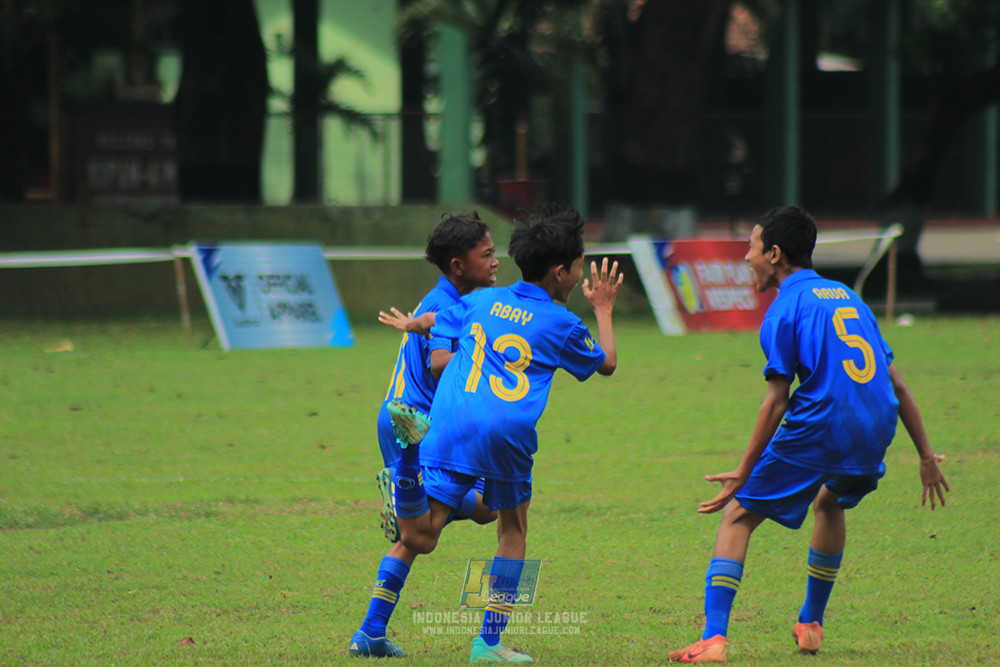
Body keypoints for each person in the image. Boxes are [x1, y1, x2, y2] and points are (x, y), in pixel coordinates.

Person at [667, 206, 950, 664]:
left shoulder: (785, 307)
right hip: (877, 425)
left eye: (752, 248)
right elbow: (897, 382)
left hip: (824, 423)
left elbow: (777, 400)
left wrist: (742, 471)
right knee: (830, 500)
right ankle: (811, 623)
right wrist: (924, 454)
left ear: (775, 253)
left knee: (738, 514)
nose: (746, 258)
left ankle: (714, 639)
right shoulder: (847, 296)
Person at [387, 203, 623, 664]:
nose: (580, 273)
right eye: (578, 265)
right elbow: (607, 363)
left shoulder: (478, 300)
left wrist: (414, 323)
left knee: (423, 536)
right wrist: (603, 308)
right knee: (513, 529)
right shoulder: (564, 323)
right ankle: (488, 642)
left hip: (449, 420)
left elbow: (439, 321)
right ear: (560, 272)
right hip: (506, 432)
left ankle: (407, 467)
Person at [350, 211, 500, 658]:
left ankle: (371, 633)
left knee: (478, 512)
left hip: (403, 416)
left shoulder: (449, 296)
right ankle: (409, 484)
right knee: (427, 535)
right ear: (459, 264)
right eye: (487, 254)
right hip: (419, 425)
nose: (496, 262)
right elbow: (438, 362)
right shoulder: (450, 304)